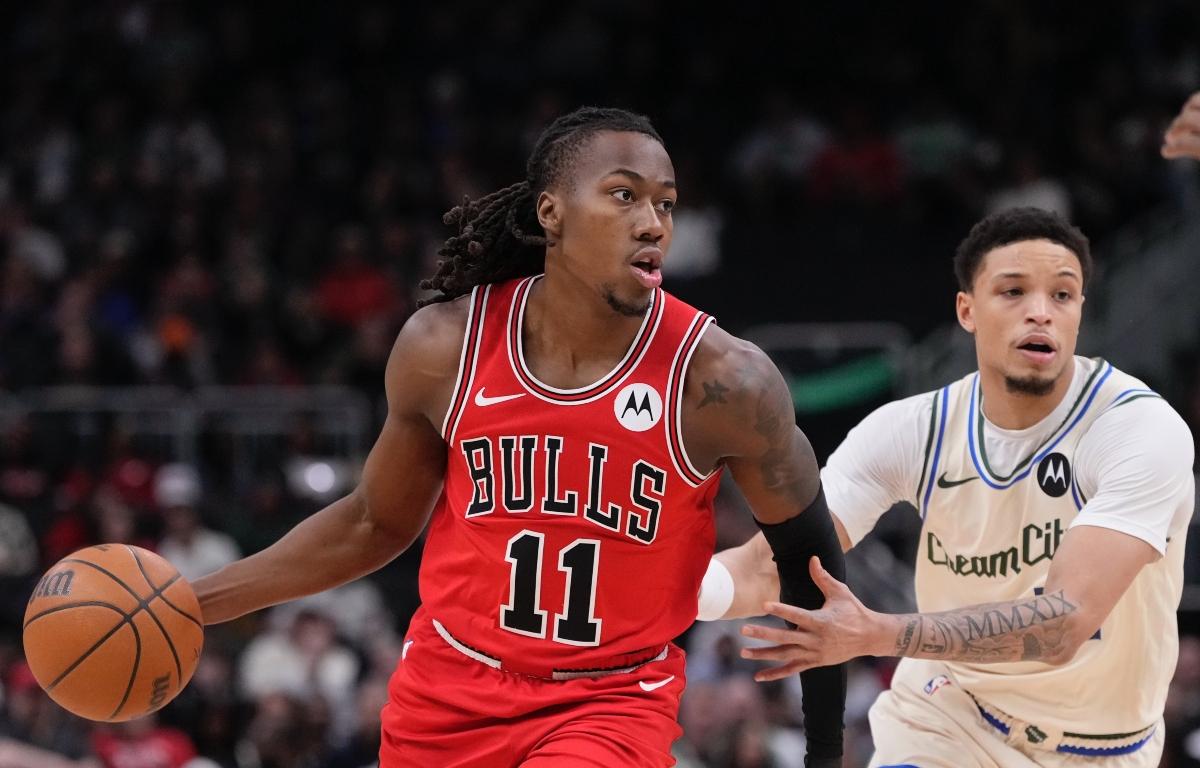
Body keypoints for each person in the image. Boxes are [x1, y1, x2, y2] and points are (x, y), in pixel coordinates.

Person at [193, 106, 847, 767]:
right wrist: (193, 604)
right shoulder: (446, 347)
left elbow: (810, 561)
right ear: (550, 214)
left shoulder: (723, 381)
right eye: (624, 196)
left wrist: (824, 753)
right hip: (447, 688)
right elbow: (372, 524)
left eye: (667, 205)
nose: (653, 224)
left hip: (608, 702)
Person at [698, 206, 1196, 766]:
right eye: (1013, 292)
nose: (1041, 313)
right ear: (967, 310)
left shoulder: (1137, 429)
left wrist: (878, 634)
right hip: (948, 715)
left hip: (1101, 748)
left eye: (1063, 295)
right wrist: (677, 593)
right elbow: (778, 560)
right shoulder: (913, 429)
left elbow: (1064, 623)